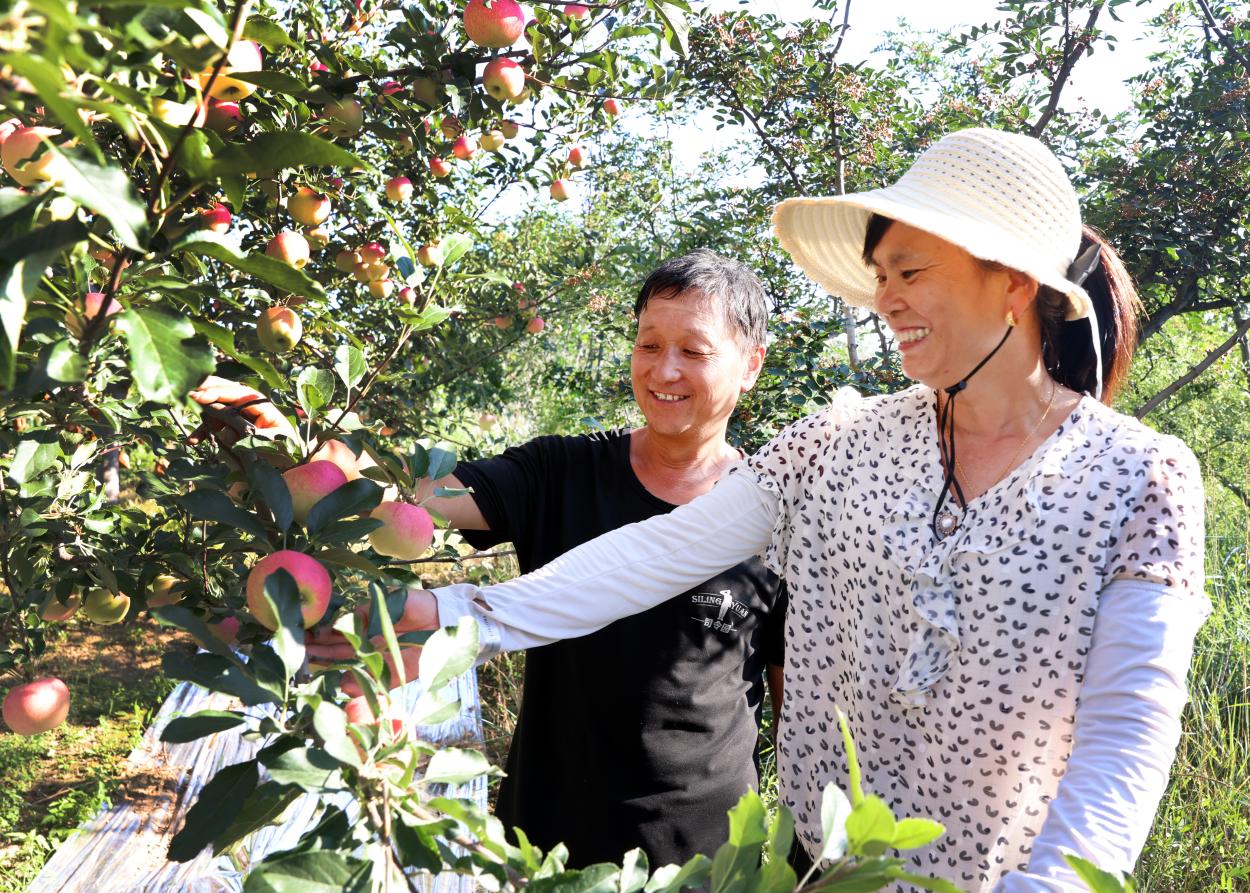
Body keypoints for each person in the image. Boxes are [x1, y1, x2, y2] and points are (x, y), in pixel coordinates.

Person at [373, 129, 1210, 892]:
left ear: (1014, 285)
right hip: (820, 876)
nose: (886, 300)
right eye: (881, 277)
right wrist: (448, 616)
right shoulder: (835, 445)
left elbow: (1127, 734)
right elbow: (653, 555)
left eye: (911, 272)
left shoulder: (1140, 477)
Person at [198, 250, 789, 869]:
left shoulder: (778, 522)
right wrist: (301, 449)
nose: (664, 369)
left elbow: (795, 707)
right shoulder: (562, 472)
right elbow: (417, 499)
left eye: (694, 351)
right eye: (648, 345)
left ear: (750, 365)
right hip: (543, 842)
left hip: (703, 859)